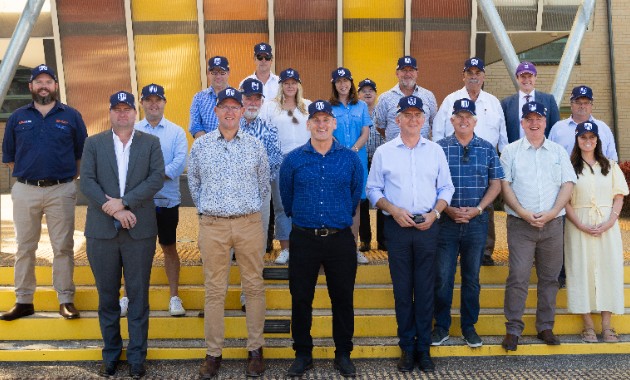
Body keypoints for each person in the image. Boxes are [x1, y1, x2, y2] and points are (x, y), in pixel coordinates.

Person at [80, 91, 165, 378]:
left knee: (138, 296)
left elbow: (155, 178)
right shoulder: (94, 143)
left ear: (135, 112)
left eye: (127, 108)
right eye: (117, 109)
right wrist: (116, 210)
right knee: (107, 297)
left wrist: (125, 201)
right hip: (101, 232)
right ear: (110, 113)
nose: (123, 113)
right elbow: (87, 181)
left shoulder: (150, 143)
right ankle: (111, 354)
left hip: (139, 231)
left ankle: (138, 357)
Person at [366, 95, 454, 373]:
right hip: (398, 227)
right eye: (408, 115)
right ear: (398, 119)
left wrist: (436, 213)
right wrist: (392, 209)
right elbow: (373, 190)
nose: (413, 120)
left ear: (425, 120)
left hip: (428, 226)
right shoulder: (384, 152)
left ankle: (424, 349)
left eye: (418, 115)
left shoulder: (435, 151)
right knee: (403, 291)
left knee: (426, 290)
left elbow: (446, 189)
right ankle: (406, 347)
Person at [188, 87, 269, 379]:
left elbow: (264, 187)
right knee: (214, 290)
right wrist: (212, 210)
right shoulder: (201, 146)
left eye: (236, 107)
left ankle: (256, 350)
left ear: (242, 111)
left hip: (248, 223)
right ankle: (213, 354)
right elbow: (195, 185)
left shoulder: (254, 146)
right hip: (213, 225)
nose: (231, 112)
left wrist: (247, 213)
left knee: (254, 287)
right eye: (225, 107)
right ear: (216, 111)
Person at [280, 100, 363, 378]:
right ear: (308, 124)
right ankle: (303, 353)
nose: (321, 124)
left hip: (340, 239)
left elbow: (354, 197)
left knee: (342, 298)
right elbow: (287, 198)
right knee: (301, 298)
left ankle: (343, 354)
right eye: (316, 119)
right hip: (304, 238)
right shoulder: (293, 159)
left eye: (326, 119)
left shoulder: (350, 159)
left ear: (334, 123)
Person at [1, 64, 87, 321]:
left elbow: (81, 155)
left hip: (61, 189)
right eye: (38, 81)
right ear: (30, 87)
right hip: (26, 190)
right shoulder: (17, 117)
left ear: (55, 86)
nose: (43, 86)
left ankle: (65, 299)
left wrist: (66, 179)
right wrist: (31, 177)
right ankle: (24, 300)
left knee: (63, 247)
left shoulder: (71, 116)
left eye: (48, 81)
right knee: (25, 247)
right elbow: (10, 157)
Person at [499, 101, 576, 352]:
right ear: (522, 123)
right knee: (518, 277)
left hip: (553, 225)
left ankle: (545, 326)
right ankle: (513, 329)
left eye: (539, 119)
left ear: (545, 122)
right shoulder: (510, 151)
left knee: (550, 278)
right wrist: (522, 212)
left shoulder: (558, 152)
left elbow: (567, 184)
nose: (534, 123)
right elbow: (505, 185)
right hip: (521, 224)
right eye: (529, 119)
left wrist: (554, 212)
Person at [432, 98, 503, 348]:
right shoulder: (438, 148)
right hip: (446, 223)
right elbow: (432, 183)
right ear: (451, 120)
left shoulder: (487, 148)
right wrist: (448, 209)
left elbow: (496, 183)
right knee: (442, 276)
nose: (463, 120)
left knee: (472, 277)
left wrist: (478, 209)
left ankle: (468, 326)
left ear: (475, 121)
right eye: (459, 116)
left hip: (477, 222)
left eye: (468, 117)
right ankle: (440, 326)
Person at [117, 84, 188, 318]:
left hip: (167, 201)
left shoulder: (176, 132)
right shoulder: (132, 130)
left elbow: (179, 164)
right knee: (133, 249)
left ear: (165, 102)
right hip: (138, 203)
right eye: (149, 100)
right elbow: (127, 165)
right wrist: (151, 179)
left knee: (169, 247)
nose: (154, 104)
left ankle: (174, 297)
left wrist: (150, 178)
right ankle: (127, 296)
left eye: (158, 100)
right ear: (142, 103)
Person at [431, 57, 508, 267]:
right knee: (450, 202)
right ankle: (450, 250)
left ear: (483, 76)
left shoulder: (493, 102)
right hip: (453, 158)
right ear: (463, 76)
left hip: (484, 159)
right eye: (470, 73)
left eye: (478, 73)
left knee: (485, 206)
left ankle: (485, 251)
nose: (474, 77)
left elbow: (502, 135)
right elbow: (438, 130)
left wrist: (503, 160)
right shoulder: (450, 100)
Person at [564, 121, 628, 343]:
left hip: (606, 225)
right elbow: (565, 202)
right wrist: (580, 224)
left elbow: (618, 196)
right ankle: (588, 326)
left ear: (598, 140)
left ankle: (607, 326)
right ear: (577, 140)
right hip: (578, 224)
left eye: (592, 137)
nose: (588, 141)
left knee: (607, 270)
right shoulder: (570, 167)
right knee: (581, 270)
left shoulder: (609, 165)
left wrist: (611, 221)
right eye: (583, 137)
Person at [238, 78, 283, 311]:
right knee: (230, 247)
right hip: (232, 198)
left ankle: (249, 293)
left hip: (260, 195)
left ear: (262, 101)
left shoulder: (269, 128)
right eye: (248, 98)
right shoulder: (229, 126)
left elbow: (275, 160)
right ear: (241, 99)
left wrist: (256, 176)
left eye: (257, 98)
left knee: (255, 246)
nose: (252, 102)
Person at [259, 68, 312, 265]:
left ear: (299, 85)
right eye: (286, 83)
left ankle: (305, 247)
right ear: (281, 85)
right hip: (280, 162)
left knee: (305, 206)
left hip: (305, 161)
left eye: (293, 82)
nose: (290, 86)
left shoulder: (308, 106)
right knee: (282, 206)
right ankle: (286, 249)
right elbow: (264, 134)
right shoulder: (270, 107)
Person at [329, 67, 371, 264]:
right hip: (335, 160)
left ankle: (353, 248)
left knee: (355, 205)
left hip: (357, 160)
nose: (343, 84)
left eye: (346, 81)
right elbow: (327, 132)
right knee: (336, 203)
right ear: (334, 84)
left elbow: (365, 132)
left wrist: (353, 150)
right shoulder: (329, 107)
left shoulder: (361, 106)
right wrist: (341, 152)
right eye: (339, 81)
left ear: (351, 83)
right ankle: (336, 247)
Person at [374, 56, 437, 141]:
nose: (407, 74)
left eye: (411, 70)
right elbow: (380, 126)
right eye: (404, 70)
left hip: (422, 150)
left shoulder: (428, 96)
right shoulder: (385, 98)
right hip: (395, 151)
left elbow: (434, 124)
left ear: (417, 73)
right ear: (397, 73)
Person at [549, 85, 618, 160]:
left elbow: (612, 159)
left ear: (591, 105)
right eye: (578, 102)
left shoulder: (603, 128)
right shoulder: (558, 128)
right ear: (571, 104)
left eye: (586, 102)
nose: (582, 106)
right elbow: (549, 157)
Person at [501, 61, 560, 143]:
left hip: (542, 152)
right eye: (523, 76)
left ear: (536, 77)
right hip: (516, 153)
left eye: (530, 76)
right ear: (517, 78)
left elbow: (555, 129)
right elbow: (502, 132)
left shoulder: (549, 100)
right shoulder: (506, 103)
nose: (526, 80)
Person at [358, 78, 386, 252]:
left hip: (380, 161)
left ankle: (383, 240)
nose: (368, 93)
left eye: (371, 90)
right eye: (364, 90)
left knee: (382, 200)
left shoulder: (381, 112)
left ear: (376, 94)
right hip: (362, 159)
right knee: (362, 201)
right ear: (358, 94)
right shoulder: (356, 111)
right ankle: (365, 240)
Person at [189, 56, 231, 138]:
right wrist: (210, 146)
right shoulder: (198, 98)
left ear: (228, 73)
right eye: (214, 73)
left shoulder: (238, 97)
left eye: (222, 73)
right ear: (208, 73)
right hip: (206, 148)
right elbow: (195, 126)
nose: (218, 77)